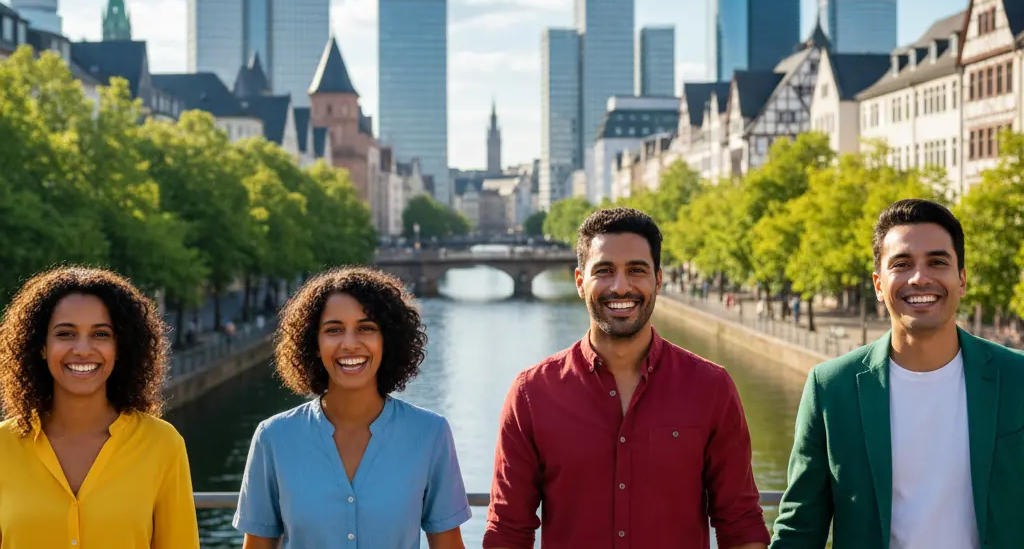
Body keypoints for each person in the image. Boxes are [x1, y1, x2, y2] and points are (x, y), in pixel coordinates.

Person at [483, 207, 770, 549]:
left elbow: (740, 524)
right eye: (604, 271)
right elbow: (508, 531)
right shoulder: (531, 394)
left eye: (636, 270)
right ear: (579, 282)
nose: (621, 287)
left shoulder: (711, 388)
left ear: (658, 281)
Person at [770, 199, 1024, 549]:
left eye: (937, 262)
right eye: (902, 264)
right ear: (878, 284)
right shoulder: (831, 389)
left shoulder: (1017, 378)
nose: (920, 277)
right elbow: (800, 528)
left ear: (962, 280)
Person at [233, 267, 471, 549]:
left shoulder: (431, 434)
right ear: (314, 343)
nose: (349, 344)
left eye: (366, 328)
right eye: (333, 330)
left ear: (388, 340)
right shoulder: (273, 438)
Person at [0, 266, 199, 548]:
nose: (82, 349)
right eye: (65, 334)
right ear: (41, 346)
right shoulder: (2, 447)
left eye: (101, 334)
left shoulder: (163, 444)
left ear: (120, 348)